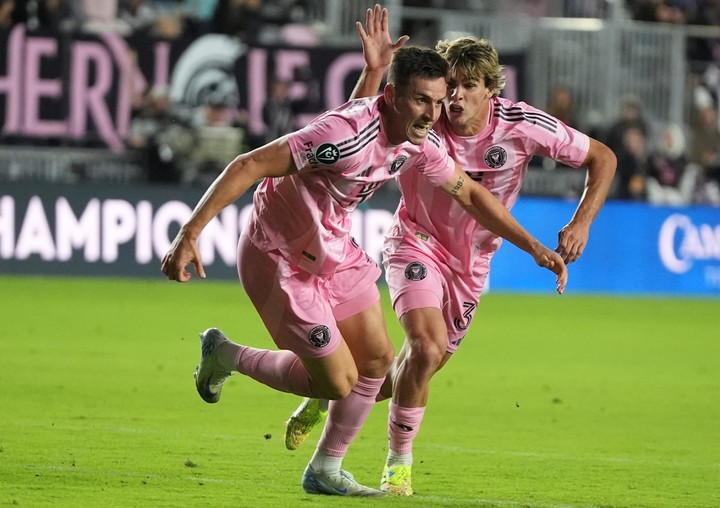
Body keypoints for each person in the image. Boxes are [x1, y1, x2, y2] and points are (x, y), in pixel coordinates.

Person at [162, 33, 569, 497]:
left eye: (436, 102)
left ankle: (325, 470)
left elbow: (472, 193)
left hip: (334, 250)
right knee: (338, 381)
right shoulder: (344, 134)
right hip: (278, 257)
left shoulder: (417, 142)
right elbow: (249, 163)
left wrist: (532, 246)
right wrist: (189, 233)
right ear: (394, 97)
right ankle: (224, 354)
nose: (431, 113)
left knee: (377, 362)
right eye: (421, 100)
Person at [284, 4, 616, 496]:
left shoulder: (522, 125)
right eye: (449, 86)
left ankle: (324, 390)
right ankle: (398, 468)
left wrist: (581, 222)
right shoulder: (423, 119)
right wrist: (375, 71)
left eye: (468, 86)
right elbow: (357, 122)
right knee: (426, 345)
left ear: (491, 90)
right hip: (414, 243)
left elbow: (602, 156)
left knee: (406, 373)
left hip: (472, 266)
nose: (454, 97)